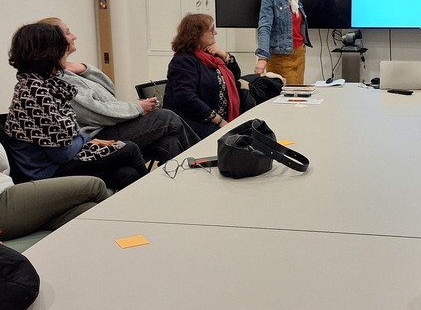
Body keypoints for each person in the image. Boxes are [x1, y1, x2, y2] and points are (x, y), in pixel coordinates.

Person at [5, 23, 148, 190]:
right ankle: (155, 204)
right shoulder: (36, 93)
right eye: (61, 47)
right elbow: (62, 154)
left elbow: (65, 138)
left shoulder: (40, 84)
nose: (65, 51)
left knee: (127, 174)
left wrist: (83, 139)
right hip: (47, 172)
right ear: (48, 53)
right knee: (129, 149)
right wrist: (86, 139)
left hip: (58, 160)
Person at [41, 17, 198, 164]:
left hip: (109, 127)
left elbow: (110, 92)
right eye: (68, 33)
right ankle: (205, 163)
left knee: (169, 144)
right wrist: (138, 108)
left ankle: (182, 188)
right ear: (56, 41)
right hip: (97, 135)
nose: (74, 36)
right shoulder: (58, 78)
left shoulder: (69, 70)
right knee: (166, 117)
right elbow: (97, 113)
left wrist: (85, 69)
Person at [0, 139, 108, 241]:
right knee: (95, 186)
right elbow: (62, 155)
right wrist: (85, 137)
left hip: (10, 192)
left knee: (89, 210)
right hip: (4, 199)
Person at [164, 14, 250, 140]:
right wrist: (219, 120)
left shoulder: (211, 57)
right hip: (197, 123)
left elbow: (235, 75)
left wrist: (225, 56)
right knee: (242, 143)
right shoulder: (183, 60)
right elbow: (186, 97)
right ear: (196, 34)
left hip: (219, 121)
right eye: (211, 29)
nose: (215, 32)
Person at [254, 0, 312, 83]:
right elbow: (264, 27)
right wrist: (262, 57)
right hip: (281, 58)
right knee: (289, 99)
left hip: (299, 54)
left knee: (298, 98)